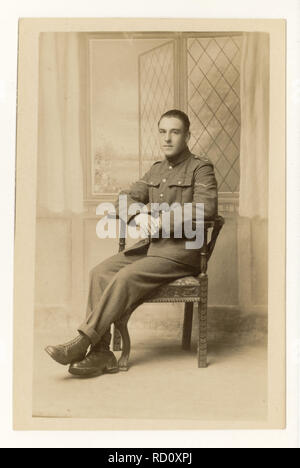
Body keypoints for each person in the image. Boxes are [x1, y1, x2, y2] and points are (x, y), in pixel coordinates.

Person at [45, 109, 218, 377]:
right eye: (163, 131)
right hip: (151, 250)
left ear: (187, 136)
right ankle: (102, 353)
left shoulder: (200, 168)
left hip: (182, 254)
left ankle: (83, 341)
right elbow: (124, 198)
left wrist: (159, 220)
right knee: (99, 272)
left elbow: (205, 209)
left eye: (175, 132)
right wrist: (137, 211)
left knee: (124, 277)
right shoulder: (156, 170)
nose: (168, 138)